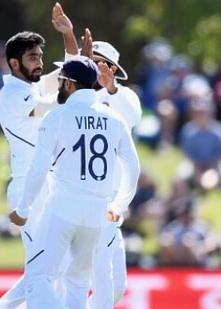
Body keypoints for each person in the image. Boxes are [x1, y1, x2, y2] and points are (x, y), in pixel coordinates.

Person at [9, 56, 140, 309]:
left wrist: (23, 209)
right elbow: (132, 167)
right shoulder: (114, 119)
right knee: (78, 282)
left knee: (38, 278)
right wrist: (120, 205)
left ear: (68, 84)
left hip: (63, 205)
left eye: (60, 80)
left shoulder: (57, 117)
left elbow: (38, 169)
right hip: (98, 210)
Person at [0, 3, 79, 308]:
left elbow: (70, 72)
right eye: (32, 58)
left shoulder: (33, 85)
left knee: (48, 268)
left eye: (40, 56)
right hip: (29, 186)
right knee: (43, 270)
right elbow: (58, 101)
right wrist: (78, 84)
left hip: (48, 185)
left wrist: (68, 37)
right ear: (15, 63)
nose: (40, 63)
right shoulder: (14, 94)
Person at [80, 35, 143, 308]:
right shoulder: (76, 96)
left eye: (96, 63)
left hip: (112, 203)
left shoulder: (123, 95)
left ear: (111, 68)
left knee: (117, 287)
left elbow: (132, 117)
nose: (91, 68)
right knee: (91, 281)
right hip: (85, 198)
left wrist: (113, 90)